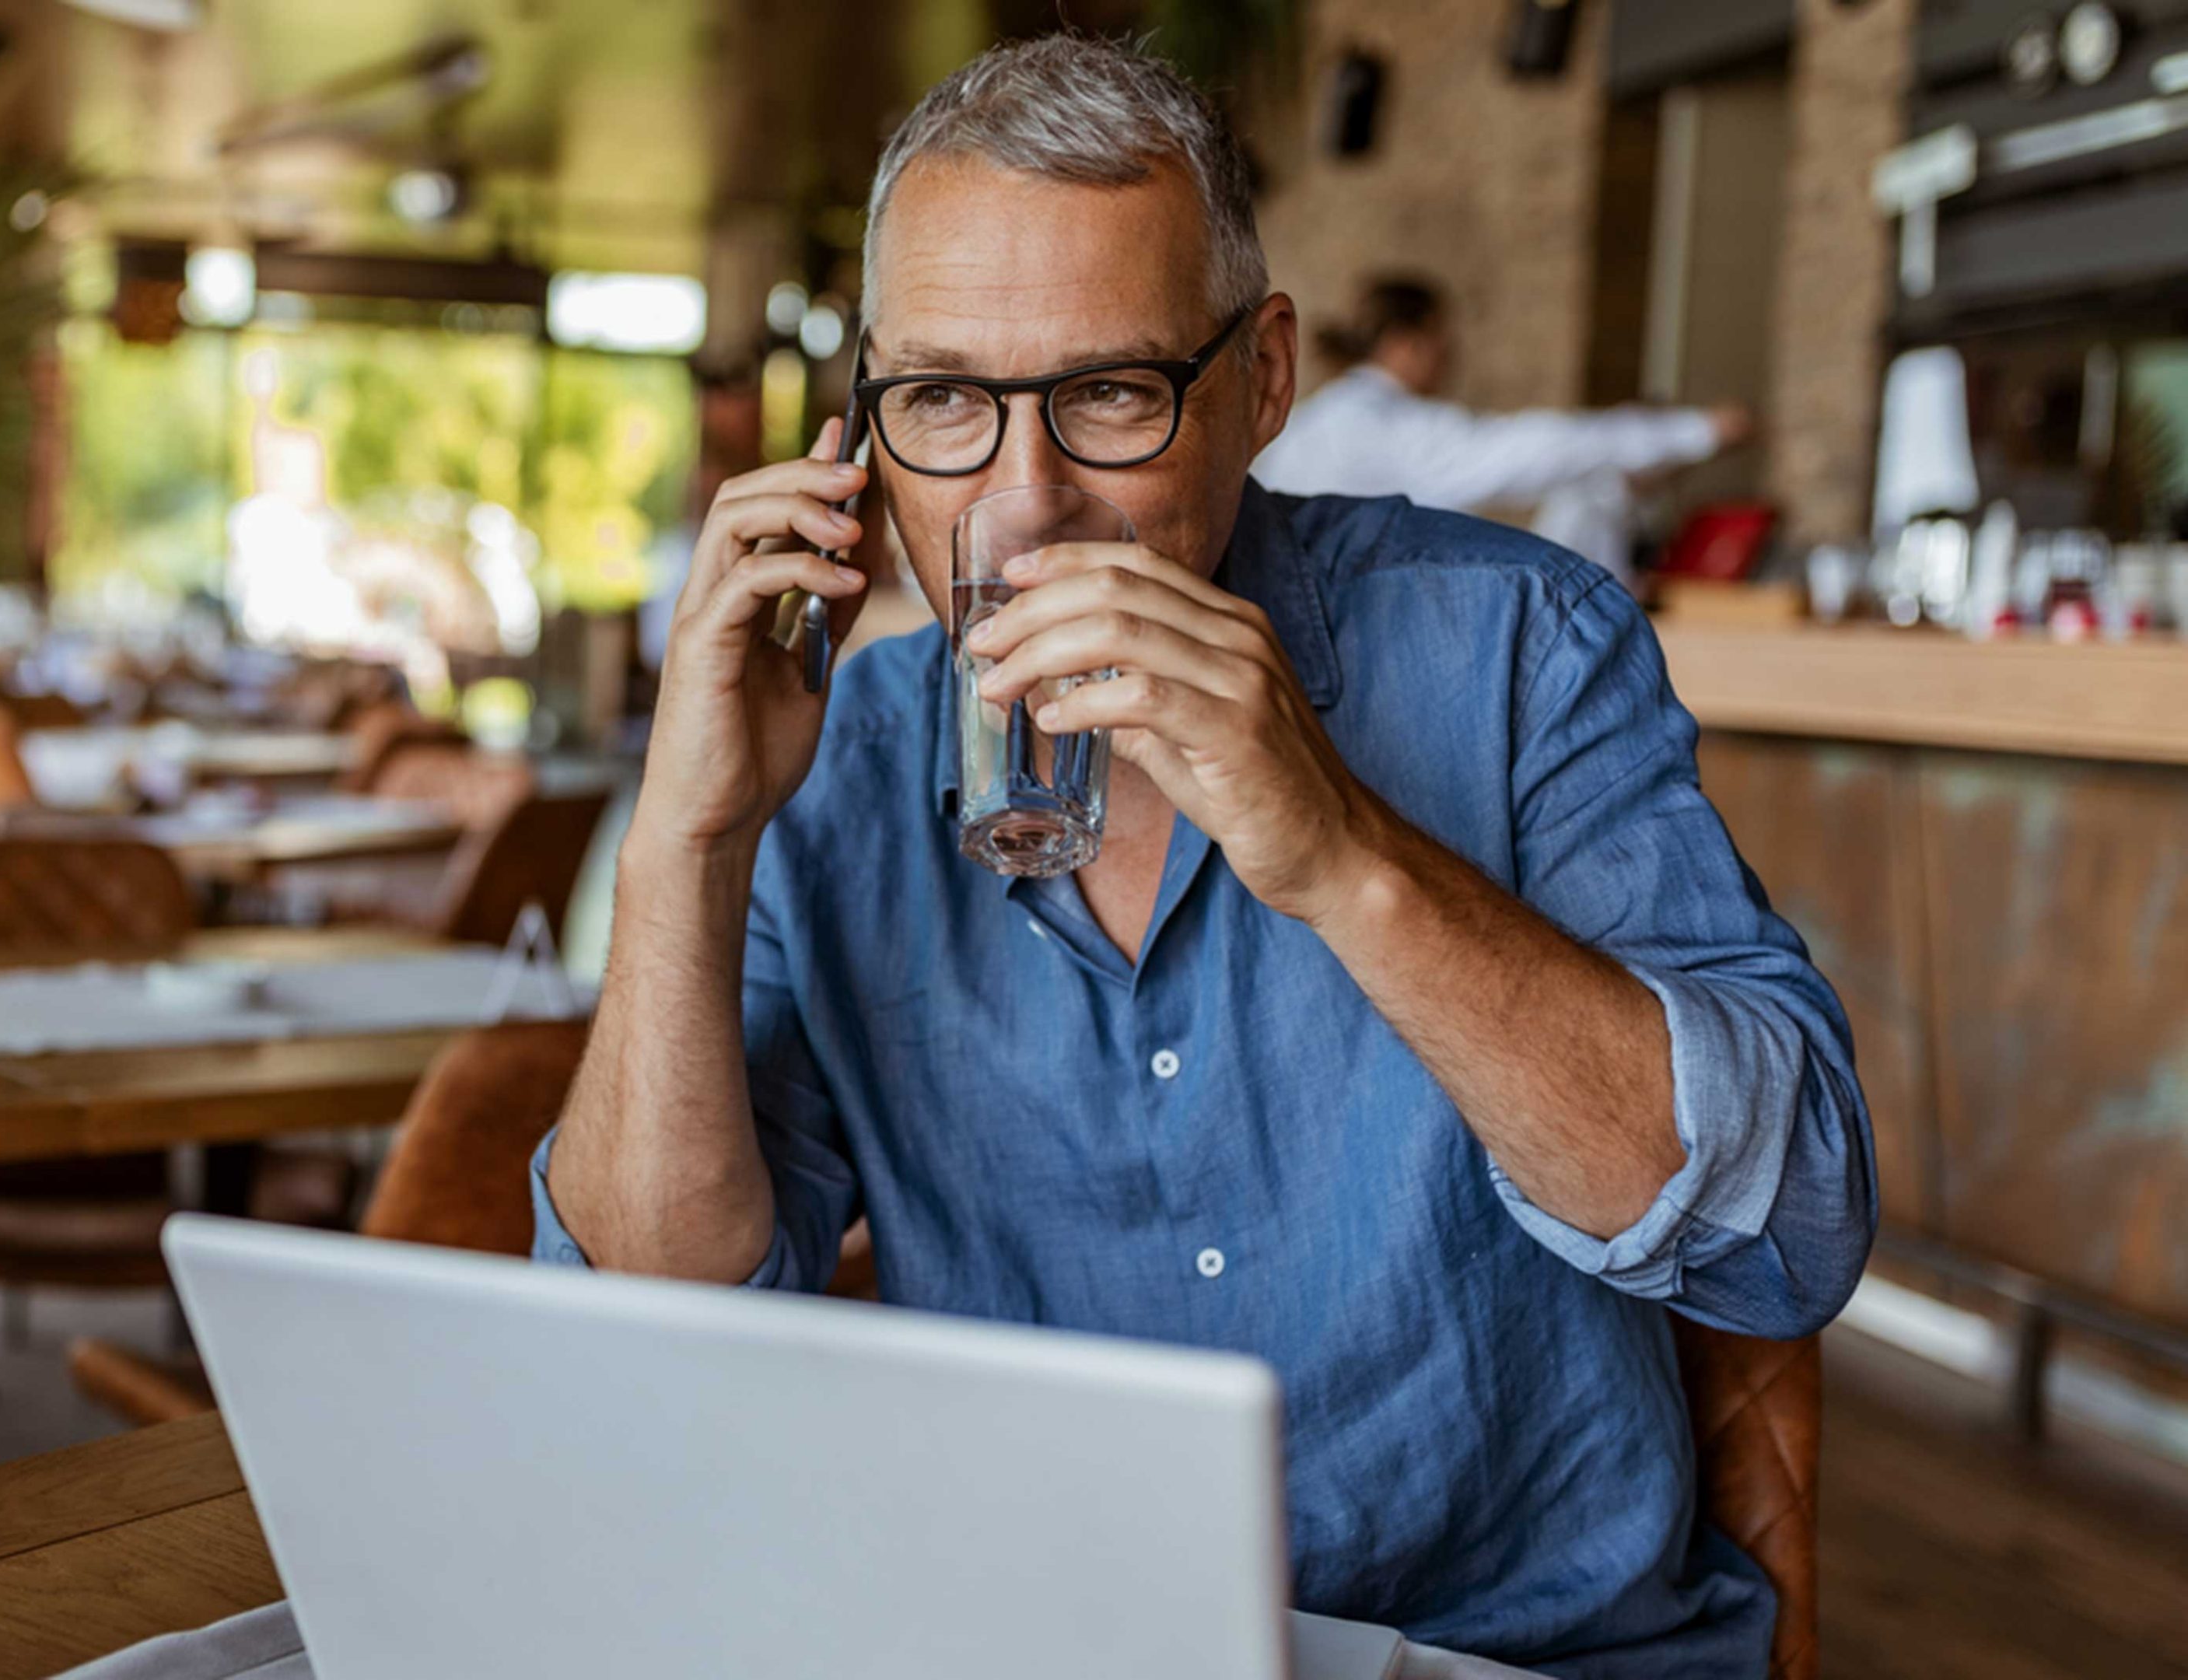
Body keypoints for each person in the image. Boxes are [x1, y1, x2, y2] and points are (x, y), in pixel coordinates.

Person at [531, 34, 1871, 1680]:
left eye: (1110, 393)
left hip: (1512, 1656)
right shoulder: (840, 741)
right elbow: (653, 1327)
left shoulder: (1521, 647)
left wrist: (1341, 853)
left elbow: (1793, 1229)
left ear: (1263, 380)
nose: (1023, 508)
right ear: (866, 421)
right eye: (944, 400)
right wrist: (690, 833)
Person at [1251, 274, 1754, 582]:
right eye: (1443, 343)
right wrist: (1697, 430)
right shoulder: (1386, 425)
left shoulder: (1309, 421)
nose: (1452, 360)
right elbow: (1536, 450)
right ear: (1409, 345)